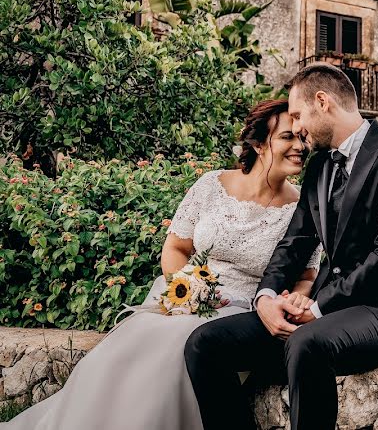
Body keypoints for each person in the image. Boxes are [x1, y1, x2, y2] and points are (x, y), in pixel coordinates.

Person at [2, 99, 319, 430]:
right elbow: (176, 247)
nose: (299, 146)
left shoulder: (300, 209)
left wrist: (291, 300)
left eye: (302, 138)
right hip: (187, 295)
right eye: (288, 137)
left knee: (174, 349)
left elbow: (306, 275)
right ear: (258, 143)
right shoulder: (212, 185)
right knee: (128, 345)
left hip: (241, 309)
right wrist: (188, 285)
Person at [185, 63, 378, 430]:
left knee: (306, 343)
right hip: (329, 308)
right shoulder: (320, 167)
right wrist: (266, 297)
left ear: (323, 101)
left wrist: (317, 307)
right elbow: (295, 243)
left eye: (298, 115)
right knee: (205, 344)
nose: (297, 128)